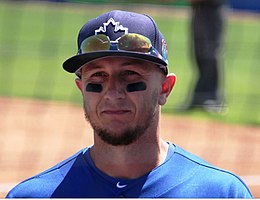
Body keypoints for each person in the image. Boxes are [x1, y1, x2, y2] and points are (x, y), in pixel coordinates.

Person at [6, 10, 252, 198]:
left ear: (165, 88)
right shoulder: (34, 195)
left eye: (130, 76)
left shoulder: (220, 192)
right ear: (82, 89)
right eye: (97, 78)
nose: (112, 93)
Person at [178, 0, 226, 112]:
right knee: (199, 54)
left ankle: (213, 98)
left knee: (210, 54)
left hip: (212, 10)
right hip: (198, 9)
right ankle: (198, 98)